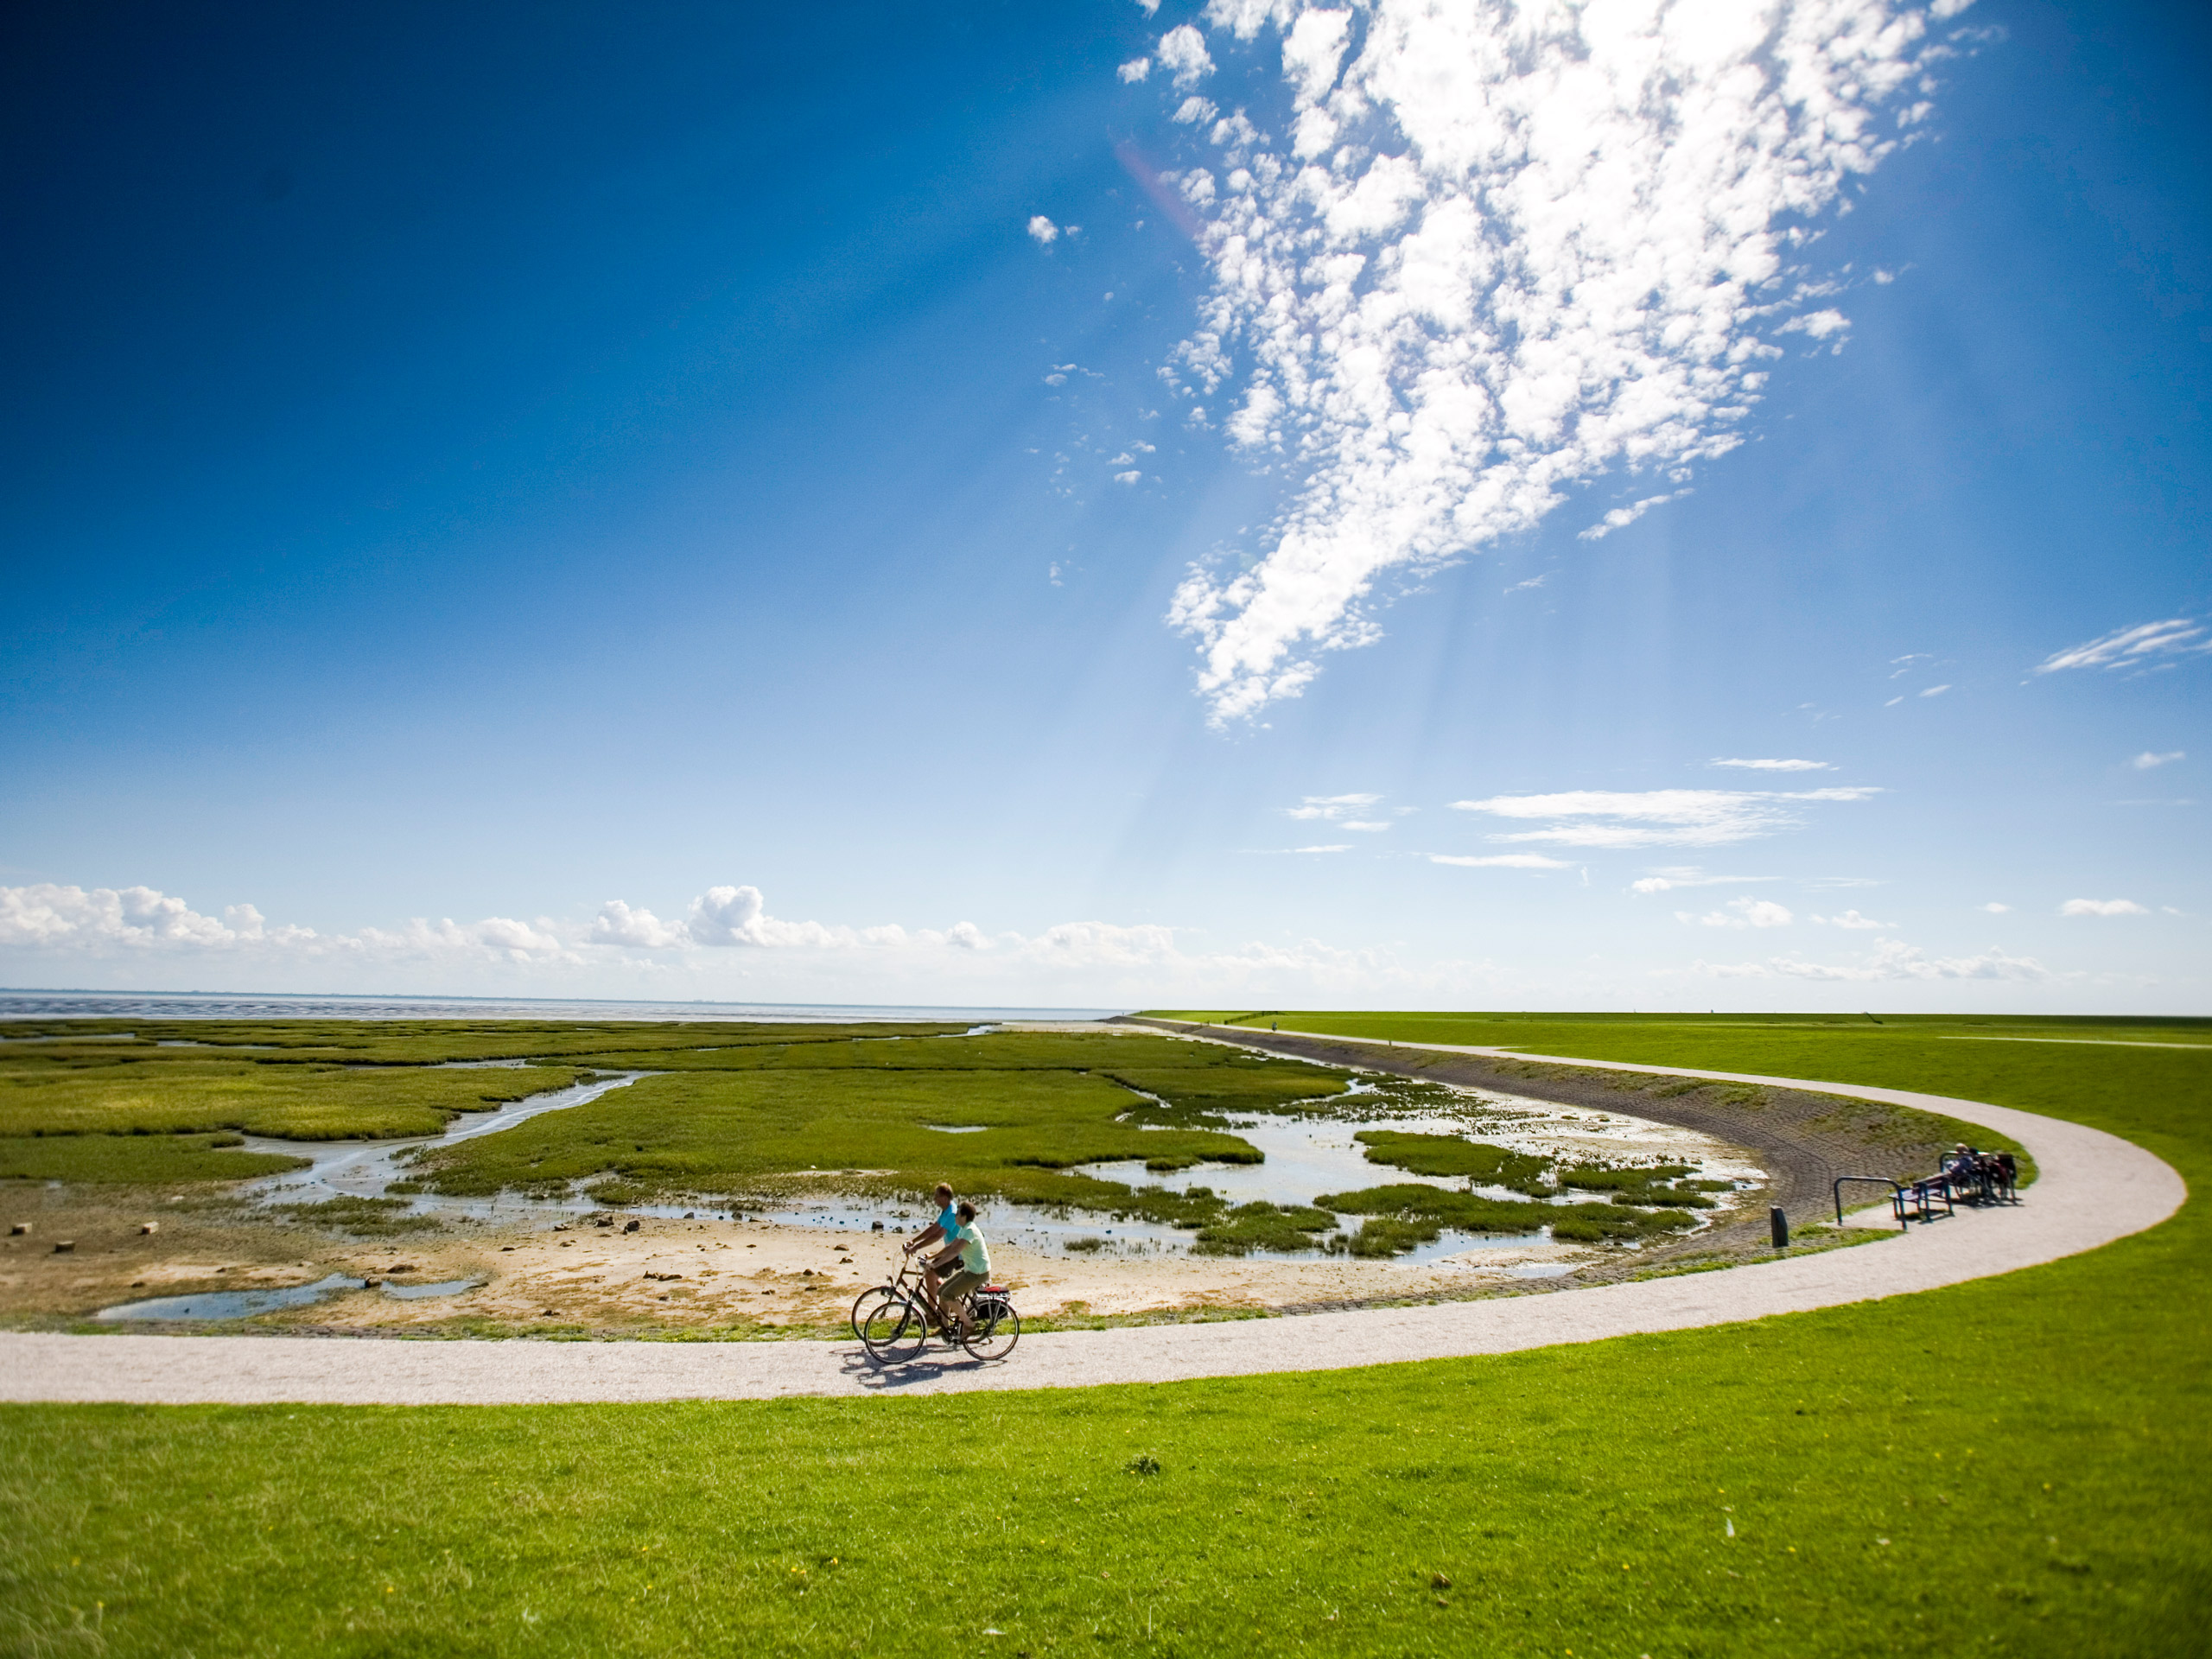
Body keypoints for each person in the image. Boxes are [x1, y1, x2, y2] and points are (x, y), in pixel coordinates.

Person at [930, 1200, 991, 1338]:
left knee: (948, 1295)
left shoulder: (970, 1230)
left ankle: (968, 1323)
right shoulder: (964, 1228)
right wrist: (932, 1256)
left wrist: (935, 1265)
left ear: (964, 1216)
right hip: (970, 1270)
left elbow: (954, 1252)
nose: (955, 1216)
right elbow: (949, 1247)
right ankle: (945, 1327)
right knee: (941, 1291)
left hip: (978, 1273)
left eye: (957, 1214)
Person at [905, 1183, 957, 1313]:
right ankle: (942, 1303)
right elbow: (934, 1228)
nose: (934, 1199)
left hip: (957, 1253)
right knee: (931, 1275)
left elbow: (938, 1235)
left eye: (937, 1196)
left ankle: (931, 1314)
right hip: (949, 1250)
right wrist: (914, 1241)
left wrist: (917, 1247)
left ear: (944, 1198)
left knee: (930, 1275)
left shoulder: (952, 1213)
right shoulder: (946, 1210)